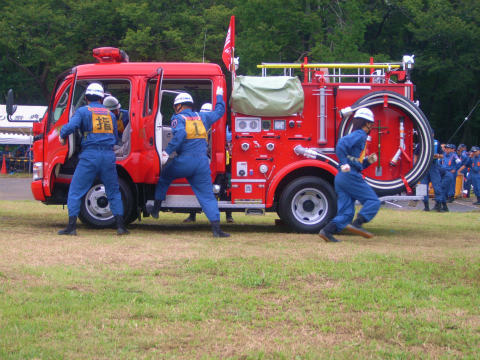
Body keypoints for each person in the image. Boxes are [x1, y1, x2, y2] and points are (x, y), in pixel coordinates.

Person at [147, 88, 230, 237]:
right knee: (207, 195)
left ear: (179, 106)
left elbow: (180, 135)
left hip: (185, 160)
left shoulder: (178, 118)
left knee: (164, 177)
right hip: (202, 163)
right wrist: (219, 95)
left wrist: (167, 152)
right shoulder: (203, 116)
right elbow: (219, 111)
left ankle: (156, 209)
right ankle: (217, 229)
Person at [58, 83, 128, 236]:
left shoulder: (83, 111)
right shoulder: (110, 114)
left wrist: (62, 135)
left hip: (90, 155)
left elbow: (71, 127)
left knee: (76, 190)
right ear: (102, 97)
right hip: (108, 156)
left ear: (86, 97)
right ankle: (120, 226)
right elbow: (115, 137)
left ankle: (71, 227)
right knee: (113, 190)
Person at [319, 108, 381, 243]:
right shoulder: (360, 134)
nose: (372, 126)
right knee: (373, 201)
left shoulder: (358, 135)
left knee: (346, 213)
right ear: (366, 123)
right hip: (349, 175)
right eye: (371, 123)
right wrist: (344, 163)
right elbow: (341, 144)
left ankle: (327, 231)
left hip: (342, 177)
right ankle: (357, 224)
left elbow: (356, 162)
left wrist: (368, 162)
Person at [183, 102, 234, 224]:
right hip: (203, 162)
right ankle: (192, 214)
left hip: (220, 162)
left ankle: (228, 215)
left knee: (223, 187)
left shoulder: (220, 128)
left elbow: (228, 141)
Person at [421, 137, 445, 212]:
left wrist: (437, 155)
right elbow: (416, 154)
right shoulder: (421, 142)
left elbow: (442, 155)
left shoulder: (436, 143)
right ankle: (426, 206)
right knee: (422, 187)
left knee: (437, 186)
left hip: (433, 166)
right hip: (424, 167)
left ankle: (438, 205)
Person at [440, 144, 460, 209]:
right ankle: (444, 196)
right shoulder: (444, 155)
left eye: (448, 148)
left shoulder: (454, 156)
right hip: (444, 172)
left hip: (451, 172)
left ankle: (451, 196)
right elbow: (440, 162)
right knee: (444, 184)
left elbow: (459, 162)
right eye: (446, 148)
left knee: (451, 184)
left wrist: (455, 169)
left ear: (451, 149)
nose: (447, 150)